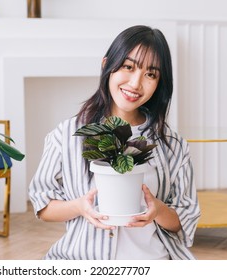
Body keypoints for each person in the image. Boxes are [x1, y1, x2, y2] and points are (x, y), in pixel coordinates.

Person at [28, 25, 200, 260]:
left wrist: (157, 210)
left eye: (151, 74)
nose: (136, 83)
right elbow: (43, 204)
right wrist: (80, 207)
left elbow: (185, 217)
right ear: (106, 65)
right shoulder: (67, 134)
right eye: (128, 67)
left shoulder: (173, 145)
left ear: (160, 82)